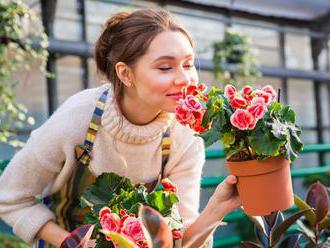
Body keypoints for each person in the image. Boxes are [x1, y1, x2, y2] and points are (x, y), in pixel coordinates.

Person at [0, 8, 241, 247]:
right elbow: (10, 199)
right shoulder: (78, 118)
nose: (184, 79)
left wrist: (217, 209)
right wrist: (69, 242)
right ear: (125, 73)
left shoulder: (184, 132)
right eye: (166, 67)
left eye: (188, 65)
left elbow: (180, 239)